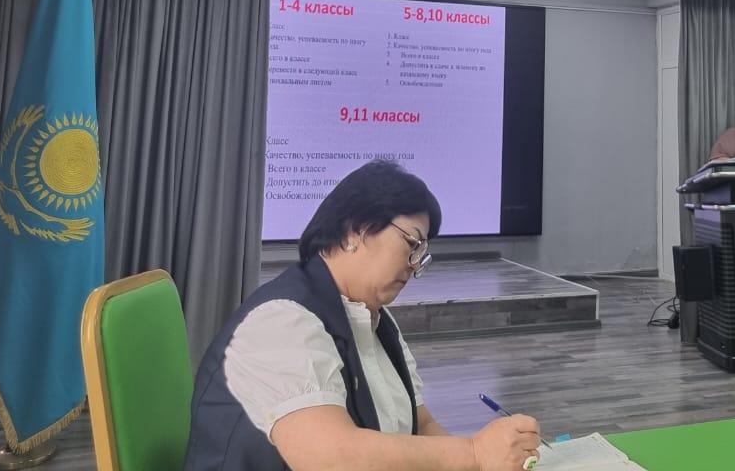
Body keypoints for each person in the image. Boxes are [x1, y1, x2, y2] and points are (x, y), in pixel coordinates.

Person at [183, 160, 542, 471]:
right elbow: (330, 457)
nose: (414, 266)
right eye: (412, 244)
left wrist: (483, 460)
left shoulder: (376, 321)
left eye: (422, 254)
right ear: (355, 229)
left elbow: (420, 423)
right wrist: (474, 453)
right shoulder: (280, 320)